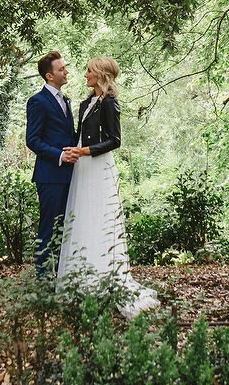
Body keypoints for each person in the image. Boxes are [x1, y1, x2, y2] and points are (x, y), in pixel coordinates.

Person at [56, 57, 159, 318]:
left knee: (100, 220)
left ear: (101, 75)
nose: (85, 75)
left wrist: (85, 151)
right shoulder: (86, 103)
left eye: (89, 71)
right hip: (82, 167)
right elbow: (80, 135)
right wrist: (74, 151)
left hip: (98, 166)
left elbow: (115, 140)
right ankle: (82, 281)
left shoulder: (110, 103)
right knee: (82, 219)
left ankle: (104, 279)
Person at [25, 50, 77, 276]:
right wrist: (60, 155)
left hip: (70, 174)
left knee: (65, 227)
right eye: (61, 69)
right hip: (49, 175)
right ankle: (43, 278)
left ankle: (61, 275)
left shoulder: (65, 100)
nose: (66, 72)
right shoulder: (37, 101)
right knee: (48, 228)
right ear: (49, 76)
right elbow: (32, 140)